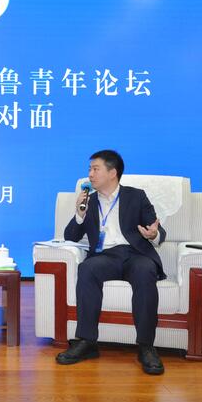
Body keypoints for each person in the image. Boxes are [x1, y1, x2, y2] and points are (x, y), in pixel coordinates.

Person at [56, 149, 167, 375]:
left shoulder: (136, 196)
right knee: (86, 269)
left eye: (95, 169)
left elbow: (157, 230)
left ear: (112, 173)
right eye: (89, 169)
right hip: (105, 256)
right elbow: (70, 236)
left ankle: (146, 346)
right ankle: (87, 341)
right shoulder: (89, 201)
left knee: (145, 270)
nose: (90, 174)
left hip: (135, 254)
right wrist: (79, 213)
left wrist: (153, 234)